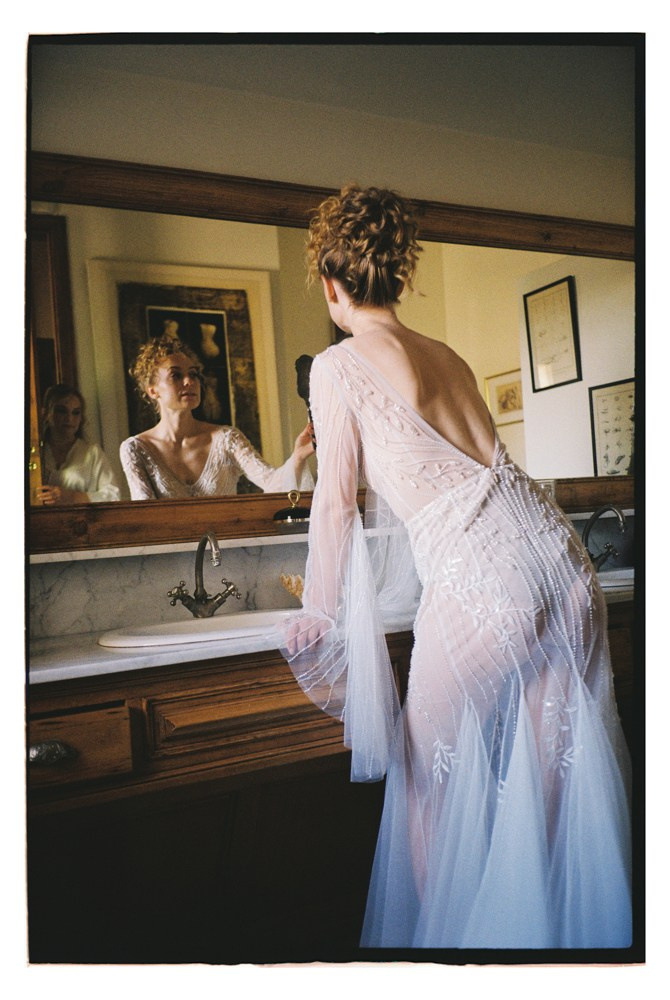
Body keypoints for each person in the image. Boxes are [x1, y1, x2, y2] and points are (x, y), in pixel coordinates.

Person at [279, 184, 632, 950]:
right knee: (546, 792)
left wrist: (319, 608)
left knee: (426, 783)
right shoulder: (447, 354)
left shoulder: (338, 366)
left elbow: (335, 504)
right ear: (396, 277)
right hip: (562, 561)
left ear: (333, 287)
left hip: (488, 579)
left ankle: (449, 968)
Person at [120, 336, 314, 499]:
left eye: (193, 374)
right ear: (153, 391)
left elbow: (273, 484)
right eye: (176, 376)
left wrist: (298, 455)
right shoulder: (135, 449)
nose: (189, 382)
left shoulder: (226, 438)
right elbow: (144, 516)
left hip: (227, 543)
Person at [36, 384, 121, 505]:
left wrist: (74, 497)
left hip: (81, 521)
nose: (69, 418)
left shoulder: (92, 453)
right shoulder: (36, 453)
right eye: (61, 411)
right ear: (46, 414)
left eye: (76, 413)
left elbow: (113, 495)